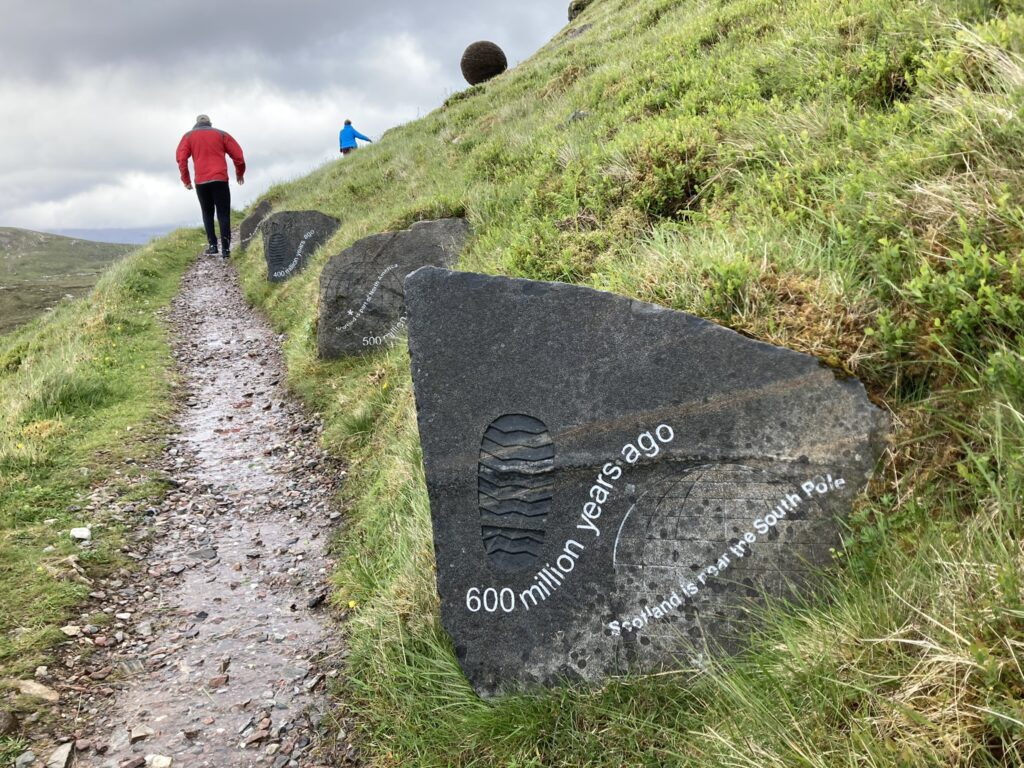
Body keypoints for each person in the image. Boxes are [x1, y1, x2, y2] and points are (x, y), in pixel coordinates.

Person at [176, 114, 246, 257]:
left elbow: (181, 159)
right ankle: (226, 250)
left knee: (207, 213)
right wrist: (239, 173)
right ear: (210, 123)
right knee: (223, 213)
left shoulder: (188, 137)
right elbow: (238, 156)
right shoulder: (221, 134)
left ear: (196, 124)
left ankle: (213, 246)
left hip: (201, 181)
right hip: (220, 179)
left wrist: (186, 180)